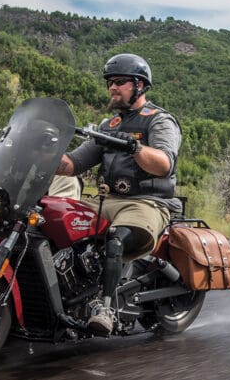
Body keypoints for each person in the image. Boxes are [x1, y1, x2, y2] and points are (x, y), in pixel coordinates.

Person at [56, 53, 182, 335]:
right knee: (52, 220)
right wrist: (42, 152)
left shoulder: (159, 121)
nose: (113, 87)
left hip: (147, 202)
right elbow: (73, 164)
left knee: (116, 239)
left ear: (139, 86)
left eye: (120, 82)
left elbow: (164, 164)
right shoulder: (108, 127)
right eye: (110, 82)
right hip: (107, 200)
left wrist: (135, 148)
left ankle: (106, 308)